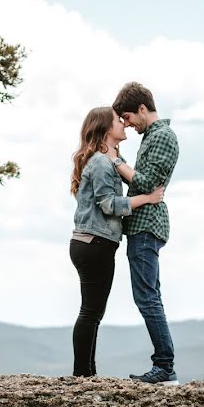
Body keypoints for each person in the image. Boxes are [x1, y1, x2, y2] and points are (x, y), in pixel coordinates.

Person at [70, 106, 164, 377]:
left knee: (93, 311)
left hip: (95, 243)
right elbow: (109, 205)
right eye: (117, 121)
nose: (123, 124)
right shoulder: (100, 162)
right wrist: (147, 199)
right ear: (105, 129)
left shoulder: (108, 159)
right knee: (90, 311)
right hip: (93, 244)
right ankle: (82, 375)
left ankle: (88, 372)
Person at [108, 82, 180, 385]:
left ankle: (164, 366)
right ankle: (164, 365)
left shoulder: (162, 137)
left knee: (147, 298)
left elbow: (148, 182)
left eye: (127, 117)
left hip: (147, 225)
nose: (126, 124)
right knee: (150, 296)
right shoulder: (152, 137)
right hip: (143, 225)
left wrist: (115, 160)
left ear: (141, 109)